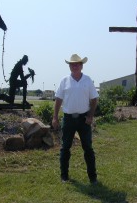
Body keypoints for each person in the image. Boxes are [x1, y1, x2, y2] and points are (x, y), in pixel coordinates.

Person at [52, 53, 99, 184]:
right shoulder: (64, 81)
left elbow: (94, 99)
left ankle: (93, 177)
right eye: (72, 64)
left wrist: (90, 115)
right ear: (70, 66)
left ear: (81, 66)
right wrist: (55, 117)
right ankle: (64, 176)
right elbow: (58, 99)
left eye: (77, 64)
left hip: (84, 120)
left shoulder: (88, 80)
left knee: (88, 148)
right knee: (65, 148)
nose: (75, 66)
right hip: (68, 119)